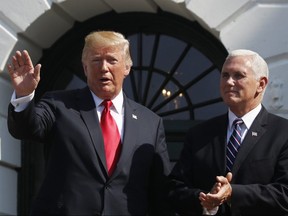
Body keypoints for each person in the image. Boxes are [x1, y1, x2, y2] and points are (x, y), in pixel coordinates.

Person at [7, 31, 171, 215]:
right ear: (85, 68)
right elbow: (26, 129)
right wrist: (23, 96)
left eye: (112, 60)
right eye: (96, 60)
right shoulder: (59, 105)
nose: (103, 67)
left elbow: (161, 191)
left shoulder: (151, 123)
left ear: (127, 67)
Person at [167, 49, 288, 215]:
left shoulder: (282, 133)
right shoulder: (199, 134)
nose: (229, 82)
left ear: (261, 84)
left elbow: (285, 194)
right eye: (225, 75)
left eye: (239, 75)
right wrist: (205, 200)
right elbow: (175, 189)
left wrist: (233, 194)